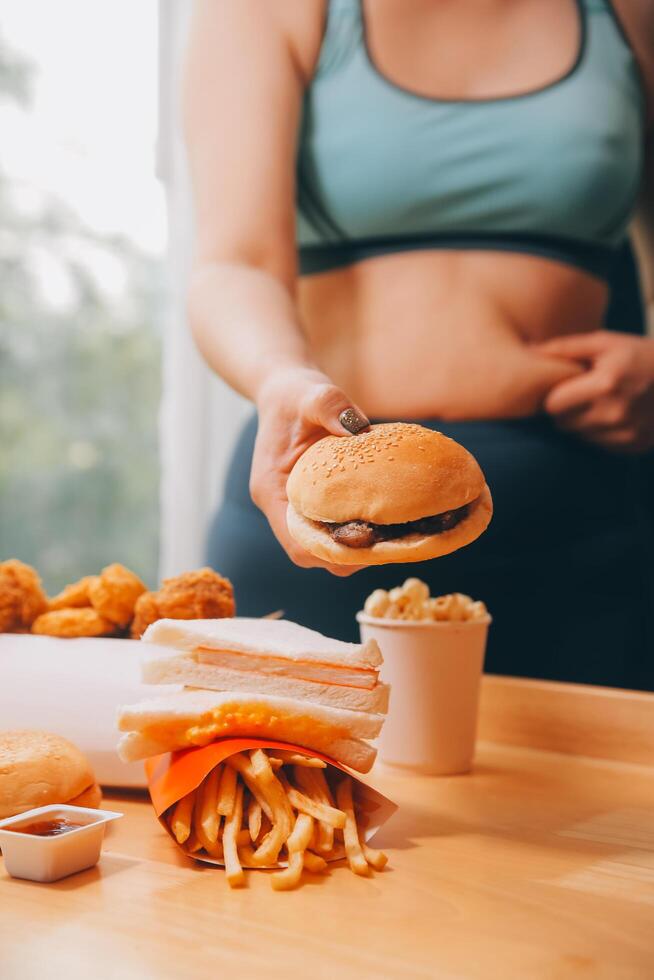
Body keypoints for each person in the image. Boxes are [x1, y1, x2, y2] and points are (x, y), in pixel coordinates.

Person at [184, 0, 654, 690]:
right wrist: (280, 377)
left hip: (580, 514)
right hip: (317, 514)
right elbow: (234, 266)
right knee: (288, 794)